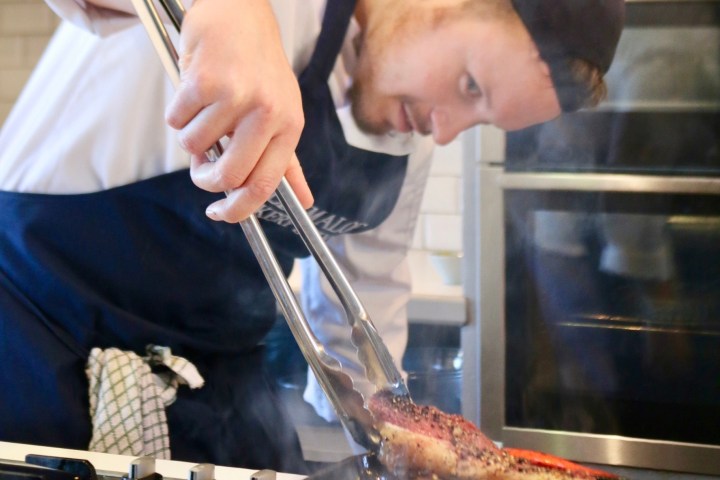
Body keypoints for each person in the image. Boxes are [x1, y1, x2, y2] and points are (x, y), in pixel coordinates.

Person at [0, 0, 624, 473]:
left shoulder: (407, 135)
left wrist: (401, 438)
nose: (446, 129)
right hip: (38, 342)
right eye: (469, 87)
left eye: (480, 120)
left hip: (212, 385)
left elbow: (365, 304)